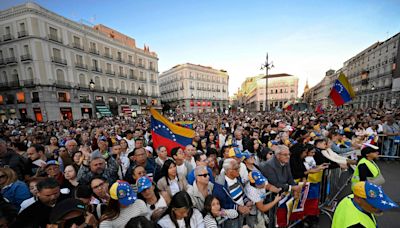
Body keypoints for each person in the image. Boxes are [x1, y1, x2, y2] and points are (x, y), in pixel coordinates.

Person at [332, 181, 398, 228]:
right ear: (358, 199)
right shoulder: (357, 225)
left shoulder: (349, 198)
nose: (380, 208)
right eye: (374, 204)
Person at [214, 158, 251, 228]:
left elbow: (241, 192)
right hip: (230, 220)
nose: (239, 170)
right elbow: (222, 203)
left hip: (241, 215)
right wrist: (238, 207)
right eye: (236, 168)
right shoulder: (220, 185)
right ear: (229, 171)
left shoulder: (237, 177)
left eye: (238, 167)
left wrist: (246, 201)